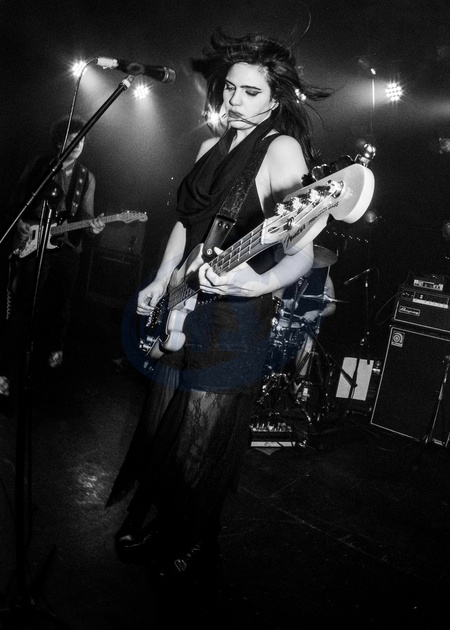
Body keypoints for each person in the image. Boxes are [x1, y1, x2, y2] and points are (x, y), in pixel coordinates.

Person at [106, 30, 333, 580]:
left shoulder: (281, 149)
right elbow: (187, 225)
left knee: (199, 440)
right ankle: (158, 518)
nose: (234, 100)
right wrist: (162, 279)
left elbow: (302, 250)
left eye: (251, 92)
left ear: (275, 99)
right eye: (229, 88)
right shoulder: (211, 147)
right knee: (163, 424)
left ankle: (195, 538)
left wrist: (261, 284)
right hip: (182, 305)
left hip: (233, 316)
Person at [0, 115, 105, 400]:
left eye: (82, 140)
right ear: (60, 142)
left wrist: (93, 227)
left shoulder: (86, 177)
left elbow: (86, 215)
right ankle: (5, 371)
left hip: (67, 247)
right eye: (72, 139)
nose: (78, 145)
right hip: (33, 243)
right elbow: (16, 200)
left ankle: (52, 358)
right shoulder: (38, 166)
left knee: (62, 306)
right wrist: (20, 222)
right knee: (23, 305)